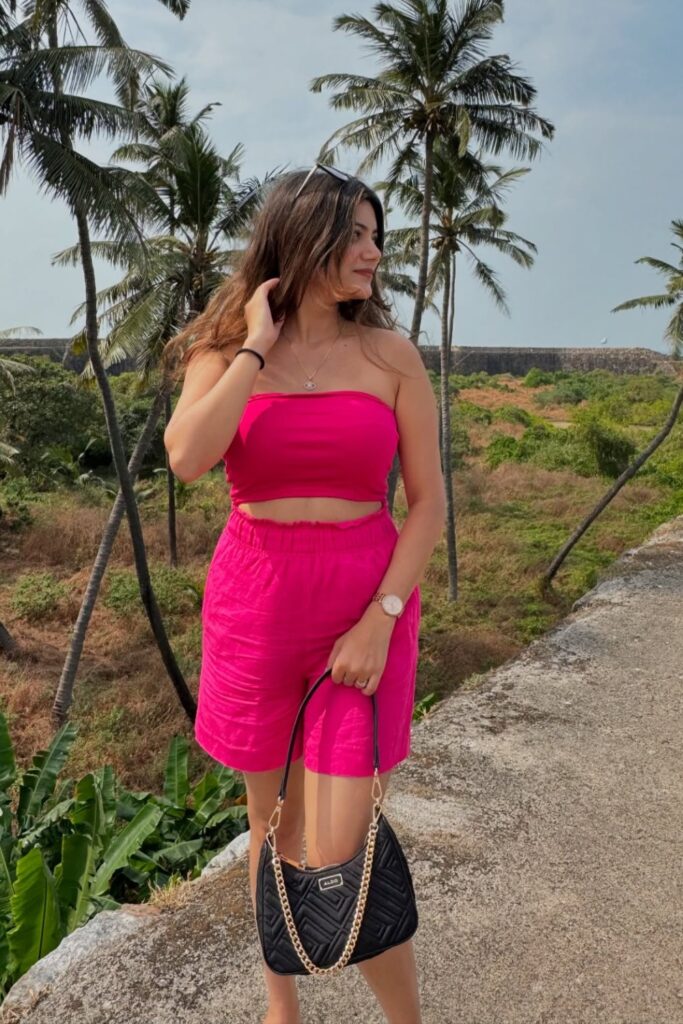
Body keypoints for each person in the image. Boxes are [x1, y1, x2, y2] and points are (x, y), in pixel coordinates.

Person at [163, 164, 446, 1024]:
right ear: (304, 239)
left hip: (363, 604)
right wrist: (254, 344)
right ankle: (278, 1007)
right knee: (268, 820)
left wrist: (381, 619)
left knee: (338, 838)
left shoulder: (390, 355)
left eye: (374, 236)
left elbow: (428, 504)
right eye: (354, 236)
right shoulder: (222, 350)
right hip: (256, 602)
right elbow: (186, 456)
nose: (372, 254)